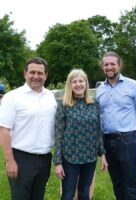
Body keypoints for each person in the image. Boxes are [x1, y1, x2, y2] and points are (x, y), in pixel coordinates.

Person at [96, 51, 136, 200]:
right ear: (103, 67)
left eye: (112, 64)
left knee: (130, 184)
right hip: (108, 141)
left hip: (128, 140)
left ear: (119, 65)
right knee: (117, 183)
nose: (109, 67)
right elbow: (99, 117)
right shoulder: (100, 90)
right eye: (106, 64)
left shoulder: (133, 86)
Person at [0, 57, 57, 200]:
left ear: (46, 75)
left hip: (44, 158)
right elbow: (4, 130)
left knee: (38, 196)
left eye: (40, 73)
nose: (36, 76)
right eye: (32, 72)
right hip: (21, 158)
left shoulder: (50, 96)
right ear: (25, 73)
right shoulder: (12, 97)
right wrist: (10, 161)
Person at [53, 69, 108, 200]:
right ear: (70, 85)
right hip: (70, 157)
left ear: (86, 83)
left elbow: (98, 130)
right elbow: (59, 134)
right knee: (68, 194)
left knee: (84, 192)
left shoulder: (94, 103)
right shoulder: (64, 105)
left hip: (90, 157)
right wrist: (58, 162)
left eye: (81, 81)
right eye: (74, 81)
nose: (78, 84)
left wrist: (103, 154)